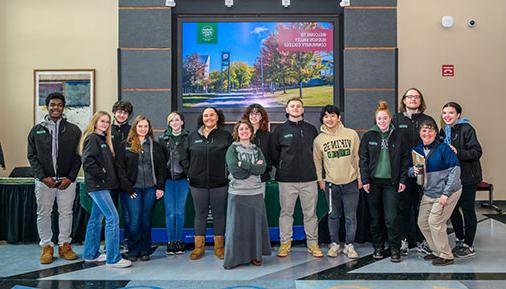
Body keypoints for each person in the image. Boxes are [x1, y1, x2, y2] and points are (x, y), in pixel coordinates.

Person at [27, 92, 81, 264]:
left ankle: (65, 245)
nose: (56, 107)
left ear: (63, 107)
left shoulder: (73, 130)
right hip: (44, 182)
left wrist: (71, 178)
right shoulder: (36, 130)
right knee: (44, 213)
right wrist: (43, 177)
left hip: (67, 181)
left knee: (66, 212)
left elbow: (78, 157)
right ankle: (47, 247)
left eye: (59, 105)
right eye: (52, 104)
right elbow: (32, 156)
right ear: (47, 107)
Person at [271, 97, 323, 258]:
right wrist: (283, 166)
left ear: (302, 109)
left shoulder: (311, 129)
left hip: (309, 179)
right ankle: (285, 244)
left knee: (310, 214)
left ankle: (313, 244)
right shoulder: (279, 131)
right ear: (287, 110)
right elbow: (273, 154)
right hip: (287, 180)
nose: (295, 108)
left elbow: (317, 153)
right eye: (292, 106)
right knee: (286, 213)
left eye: (298, 106)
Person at [359, 101, 409, 263]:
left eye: (385, 118)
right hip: (373, 183)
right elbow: (363, 160)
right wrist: (365, 180)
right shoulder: (368, 136)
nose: (382, 121)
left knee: (391, 218)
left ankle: (395, 249)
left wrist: (402, 179)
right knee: (375, 218)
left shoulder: (398, 136)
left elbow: (404, 160)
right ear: (375, 119)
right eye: (379, 118)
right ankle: (378, 247)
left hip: (391, 183)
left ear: (390, 118)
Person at [81, 111, 131, 268]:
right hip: (98, 186)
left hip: (103, 186)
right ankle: (113, 258)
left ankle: (90, 254)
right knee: (113, 218)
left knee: (96, 219)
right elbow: (88, 162)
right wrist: (102, 175)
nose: (105, 124)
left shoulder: (103, 139)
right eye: (102, 121)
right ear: (95, 122)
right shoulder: (92, 138)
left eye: (107, 122)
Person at [313, 105, 361, 259]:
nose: (329, 119)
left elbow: (357, 158)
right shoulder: (319, 140)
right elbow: (317, 162)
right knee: (333, 215)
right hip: (331, 184)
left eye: (333, 115)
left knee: (350, 216)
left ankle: (349, 245)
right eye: (326, 116)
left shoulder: (351, 134)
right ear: (323, 119)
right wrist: (320, 180)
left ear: (339, 117)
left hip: (351, 182)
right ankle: (334, 244)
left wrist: (360, 177)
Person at [116, 115, 166, 262]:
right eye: (140, 126)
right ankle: (132, 249)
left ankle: (145, 250)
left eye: (145, 126)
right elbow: (120, 168)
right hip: (132, 189)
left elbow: (162, 168)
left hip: (151, 188)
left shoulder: (155, 146)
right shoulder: (126, 145)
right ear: (135, 127)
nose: (143, 129)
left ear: (149, 128)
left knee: (145, 219)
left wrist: (160, 187)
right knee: (134, 220)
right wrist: (128, 188)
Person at [392, 88, 436, 255]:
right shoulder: (396, 120)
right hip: (403, 173)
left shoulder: (428, 120)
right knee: (402, 207)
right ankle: (403, 240)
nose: (413, 99)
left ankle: (422, 240)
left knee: (422, 208)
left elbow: (434, 144)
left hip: (424, 173)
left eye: (417, 97)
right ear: (404, 100)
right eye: (410, 96)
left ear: (420, 100)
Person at [413, 119, 462, 266]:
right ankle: (436, 251)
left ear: (435, 132)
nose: (427, 133)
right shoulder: (417, 151)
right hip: (429, 193)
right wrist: (412, 171)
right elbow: (416, 173)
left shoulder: (444, 149)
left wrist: (446, 194)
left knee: (435, 222)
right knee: (422, 222)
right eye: (424, 130)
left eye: (430, 130)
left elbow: (455, 171)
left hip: (448, 192)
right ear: (420, 133)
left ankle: (446, 255)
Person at [186, 107, 233, 260]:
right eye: (206, 115)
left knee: (219, 215)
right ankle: (198, 248)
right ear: (202, 118)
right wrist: (190, 171)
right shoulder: (192, 136)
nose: (209, 118)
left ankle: (219, 247)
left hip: (219, 183)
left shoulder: (225, 136)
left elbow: (231, 158)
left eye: (212, 115)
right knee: (200, 214)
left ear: (217, 117)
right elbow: (184, 156)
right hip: (197, 183)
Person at [223, 120, 271, 269]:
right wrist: (252, 168)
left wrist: (243, 165)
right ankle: (234, 259)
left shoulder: (257, 150)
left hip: (255, 193)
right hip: (237, 193)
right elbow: (234, 171)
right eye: (241, 129)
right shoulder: (232, 149)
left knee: (254, 227)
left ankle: (256, 257)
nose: (244, 131)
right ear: (237, 132)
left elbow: (262, 169)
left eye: (247, 129)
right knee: (236, 228)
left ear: (251, 132)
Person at [439, 102, 482, 258]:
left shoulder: (467, 129)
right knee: (452, 210)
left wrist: (457, 152)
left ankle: (469, 245)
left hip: (467, 177)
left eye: (451, 113)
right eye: (444, 113)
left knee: (468, 210)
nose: (447, 116)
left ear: (458, 115)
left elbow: (477, 152)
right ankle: (460, 238)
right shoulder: (443, 131)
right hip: (450, 178)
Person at [159, 112, 190, 255]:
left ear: (182, 122)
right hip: (167, 181)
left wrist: (190, 174)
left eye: (177, 120)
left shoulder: (188, 137)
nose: (175, 123)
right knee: (170, 213)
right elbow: (159, 162)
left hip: (183, 180)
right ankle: (171, 242)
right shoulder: (162, 139)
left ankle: (179, 241)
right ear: (169, 124)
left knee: (180, 212)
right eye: (172, 121)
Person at [111, 100, 133, 249]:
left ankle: (128, 242)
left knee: (128, 214)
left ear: (128, 115)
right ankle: (110, 243)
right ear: (114, 113)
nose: (121, 115)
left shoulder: (132, 131)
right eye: (119, 111)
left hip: (127, 179)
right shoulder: (106, 129)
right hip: (109, 179)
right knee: (110, 215)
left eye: (125, 112)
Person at [241, 104, 272, 192]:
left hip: (260, 178)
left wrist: (261, 167)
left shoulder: (268, 136)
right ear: (248, 116)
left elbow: (271, 156)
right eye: (251, 114)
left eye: (257, 114)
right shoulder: (240, 134)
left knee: (258, 205)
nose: (254, 116)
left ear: (262, 117)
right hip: (242, 178)